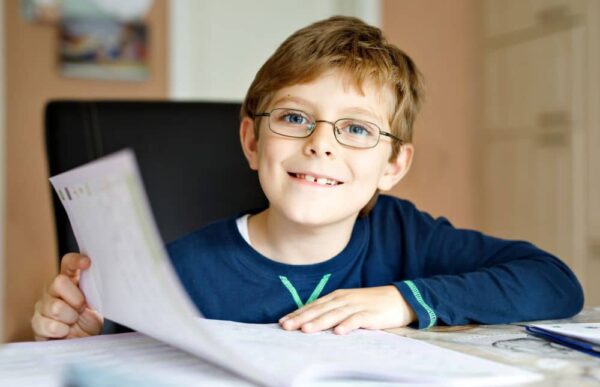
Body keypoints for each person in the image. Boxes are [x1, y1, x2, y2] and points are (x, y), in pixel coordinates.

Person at [31, 16, 583, 341]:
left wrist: (404, 300)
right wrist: (77, 331)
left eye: (356, 129)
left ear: (393, 166)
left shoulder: (408, 237)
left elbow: (556, 282)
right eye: (295, 118)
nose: (320, 143)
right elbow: (97, 355)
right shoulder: (176, 271)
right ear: (252, 141)